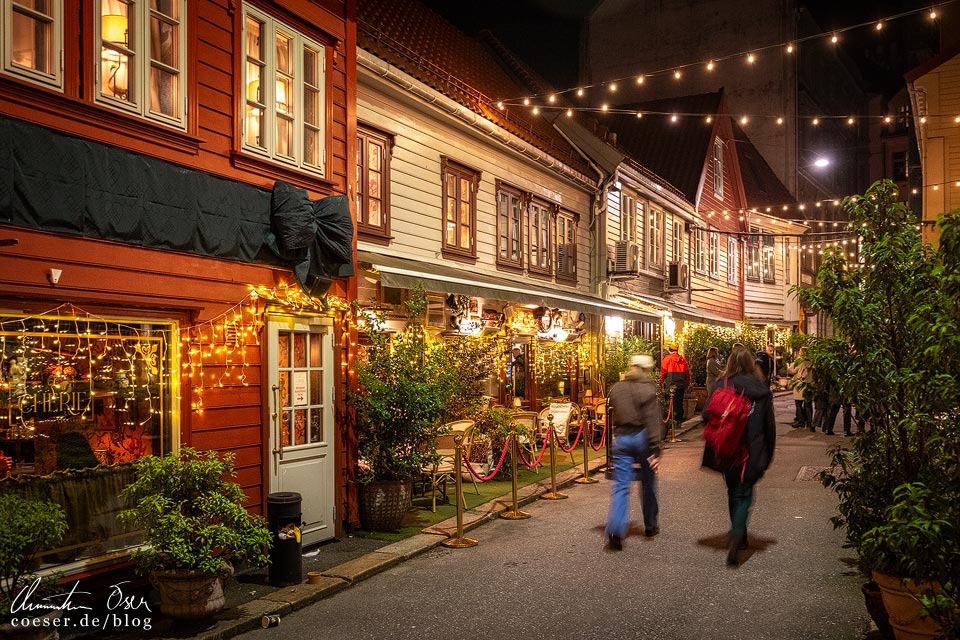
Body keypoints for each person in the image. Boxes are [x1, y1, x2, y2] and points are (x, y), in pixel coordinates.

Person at [701, 347, 776, 567]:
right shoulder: (760, 389)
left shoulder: (721, 385)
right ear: (751, 365)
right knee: (745, 494)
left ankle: (738, 534)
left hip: (727, 449)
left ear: (730, 363)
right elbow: (768, 426)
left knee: (733, 492)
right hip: (752, 450)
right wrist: (768, 452)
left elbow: (706, 415)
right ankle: (737, 535)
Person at [605, 354, 662, 551]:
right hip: (642, 437)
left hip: (621, 437)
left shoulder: (617, 388)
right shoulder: (647, 389)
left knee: (621, 486)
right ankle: (650, 525)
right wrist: (656, 450)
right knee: (648, 482)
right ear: (646, 370)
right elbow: (653, 421)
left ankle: (615, 530)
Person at [659, 343, 691, 422]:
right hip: (681, 384)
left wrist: (660, 382)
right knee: (679, 403)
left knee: (671, 403)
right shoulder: (683, 359)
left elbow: (663, 372)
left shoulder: (667, 359)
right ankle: (679, 421)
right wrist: (687, 383)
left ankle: (672, 421)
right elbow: (687, 374)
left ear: (670, 350)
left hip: (671, 384)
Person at [786, 347, 813, 429]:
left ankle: (801, 421)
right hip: (809, 386)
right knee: (808, 405)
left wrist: (788, 366)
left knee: (798, 404)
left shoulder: (800, 363)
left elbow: (792, 371)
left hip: (800, 386)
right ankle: (809, 423)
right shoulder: (812, 363)